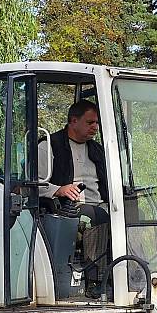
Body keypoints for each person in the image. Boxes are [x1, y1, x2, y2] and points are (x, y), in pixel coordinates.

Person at [38, 100, 110, 297]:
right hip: (65, 208)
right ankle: (96, 280)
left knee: (132, 214)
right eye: (90, 123)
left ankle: (134, 275)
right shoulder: (49, 146)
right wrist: (59, 189)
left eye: (97, 123)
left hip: (100, 204)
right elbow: (34, 184)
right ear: (73, 121)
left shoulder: (97, 150)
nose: (95, 127)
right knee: (94, 216)